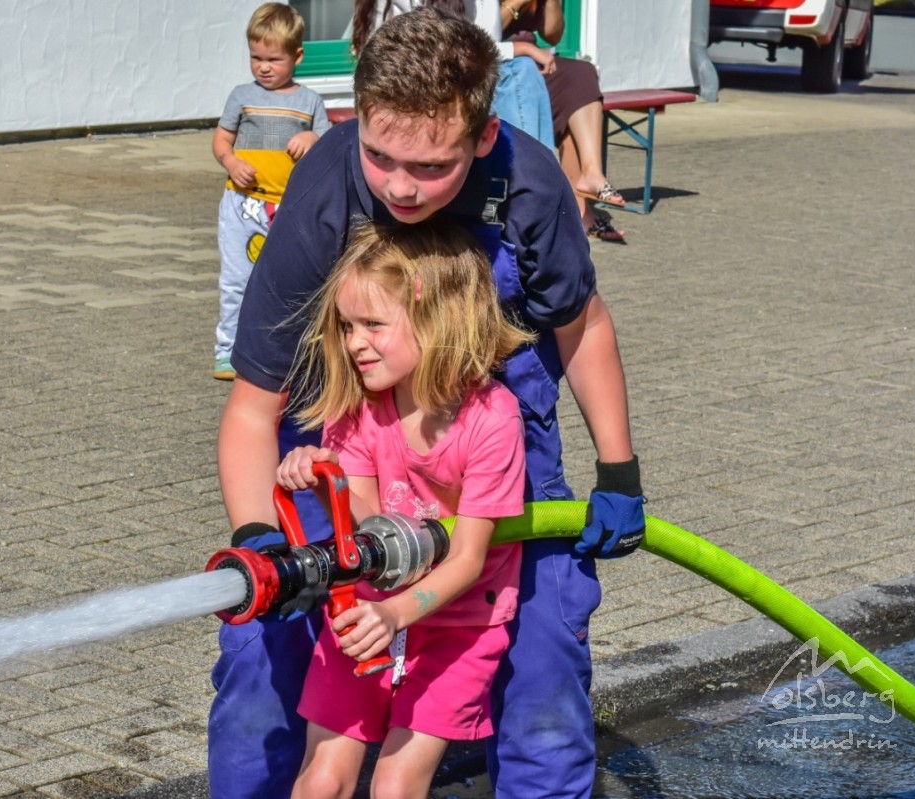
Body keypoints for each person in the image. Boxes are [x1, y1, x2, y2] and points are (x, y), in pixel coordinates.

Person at [210, 9, 647, 799]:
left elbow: (582, 326)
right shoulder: (323, 194)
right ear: (355, 118)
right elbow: (250, 410)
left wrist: (619, 470)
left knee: (543, 643)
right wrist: (258, 538)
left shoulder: (530, 181)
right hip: (351, 437)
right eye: (381, 158)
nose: (403, 186)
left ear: (481, 138)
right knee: (261, 647)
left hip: (494, 441)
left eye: (433, 166)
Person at [277, 221, 531, 799]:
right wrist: (327, 483)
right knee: (322, 780)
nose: (353, 343)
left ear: (436, 320)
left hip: (457, 624)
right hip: (366, 611)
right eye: (346, 325)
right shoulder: (361, 405)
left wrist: (397, 614)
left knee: (395, 785)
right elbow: (368, 525)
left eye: (372, 325)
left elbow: (468, 558)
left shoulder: (492, 420)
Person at [211, 2, 331, 380]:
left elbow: (328, 142)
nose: (263, 66)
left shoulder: (309, 101)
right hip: (241, 204)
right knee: (236, 279)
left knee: (284, 278)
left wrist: (311, 136)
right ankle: (228, 351)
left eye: (273, 59)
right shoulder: (241, 95)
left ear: (297, 56)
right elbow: (221, 141)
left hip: (288, 205)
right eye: (255, 57)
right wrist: (231, 163)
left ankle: (281, 351)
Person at [349, 0, 556, 147]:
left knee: (522, 70)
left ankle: (536, 177)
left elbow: (483, 51)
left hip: (453, 77)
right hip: (401, 82)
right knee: (517, 72)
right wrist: (522, 48)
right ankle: (530, 175)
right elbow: (402, 51)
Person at [502, 0, 627, 241]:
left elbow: (552, 36)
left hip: (535, 63)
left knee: (580, 74)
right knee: (560, 104)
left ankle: (591, 173)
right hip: (503, 64)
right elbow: (482, 35)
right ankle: (577, 216)